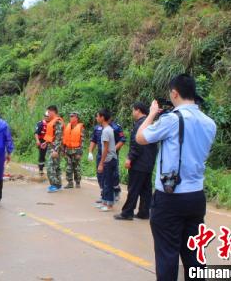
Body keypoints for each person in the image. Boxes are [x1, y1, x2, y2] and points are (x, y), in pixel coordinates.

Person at [136, 74, 216, 281]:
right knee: (194, 256)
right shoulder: (209, 123)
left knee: (167, 255)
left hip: (170, 197)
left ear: (174, 93)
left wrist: (151, 114)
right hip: (196, 197)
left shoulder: (171, 120)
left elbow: (140, 138)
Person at [114, 102, 158, 221]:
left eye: (133, 110)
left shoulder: (141, 125)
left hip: (139, 163)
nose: (132, 113)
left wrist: (130, 158)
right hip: (148, 163)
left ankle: (127, 212)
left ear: (138, 110)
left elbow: (137, 144)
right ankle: (144, 212)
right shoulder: (151, 124)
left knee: (133, 188)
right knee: (145, 189)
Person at [88, 116, 126, 202]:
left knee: (113, 175)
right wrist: (90, 152)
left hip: (111, 156)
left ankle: (115, 191)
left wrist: (113, 149)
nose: (96, 118)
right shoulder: (97, 128)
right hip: (100, 155)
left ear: (104, 117)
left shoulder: (115, 127)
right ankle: (104, 195)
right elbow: (93, 140)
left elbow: (122, 140)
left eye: (98, 116)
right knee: (100, 175)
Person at [95, 109, 118, 212]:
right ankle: (104, 202)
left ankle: (109, 205)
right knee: (105, 181)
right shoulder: (108, 129)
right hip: (110, 159)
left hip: (109, 159)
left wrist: (101, 163)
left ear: (102, 117)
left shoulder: (106, 131)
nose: (96, 118)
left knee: (108, 182)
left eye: (97, 116)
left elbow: (106, 148)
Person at [43, 105, 64, 193]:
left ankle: (54, 185)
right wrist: (46, 142)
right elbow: (53, 136)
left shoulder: (57, 122)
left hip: (55, 148)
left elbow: (59, 137)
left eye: (48, 112)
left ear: (52, 112)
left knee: (50, 167)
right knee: (56, 167)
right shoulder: (52, 122)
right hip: (51, 147)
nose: (47, 114)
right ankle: (58, 185)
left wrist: (55, 150)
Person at [62, 112, 85, 189]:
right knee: (68, 168)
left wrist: (79, 152)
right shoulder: (67, 126)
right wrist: (63, 150)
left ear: (77, 118)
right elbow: (65, 139)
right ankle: (70, 183)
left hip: (76, 151)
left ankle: (77, 182)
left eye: (73, 116)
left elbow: (82, 141)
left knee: (76, 167)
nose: (71, 118)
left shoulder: (81, 128)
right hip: (68, 150)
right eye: (70, 116)